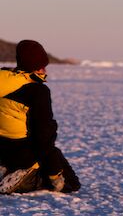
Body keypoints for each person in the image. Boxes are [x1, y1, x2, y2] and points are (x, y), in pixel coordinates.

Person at [0, 40, 80, 194]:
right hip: (23, 153)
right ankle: (25, 179)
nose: (44, 70)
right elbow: (44, 137)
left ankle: (6, 167)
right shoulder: (37, 92)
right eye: (41, 65)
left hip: (2, 148)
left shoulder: (5, 81)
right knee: (71, 183)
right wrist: (54, 174)